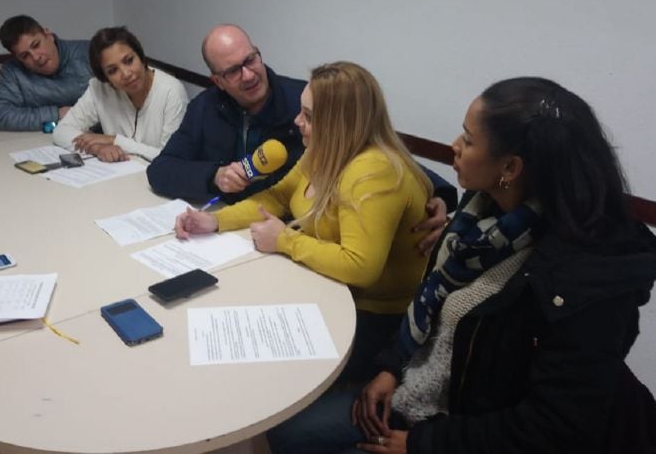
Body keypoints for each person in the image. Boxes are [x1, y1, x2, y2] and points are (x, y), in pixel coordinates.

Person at [266, 77, 656, 454]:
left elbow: (552, 428)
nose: (454, 147)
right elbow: (433, 305)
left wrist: (422, 444)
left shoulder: (585, 281)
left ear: (510, 168)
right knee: (288, 435)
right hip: (422, 394)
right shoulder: (478, 215)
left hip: (466, 432)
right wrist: (391, 367)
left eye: (468, 138)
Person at [175, 62, 437, 382]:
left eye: (309, 116)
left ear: (341, 124)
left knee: (269, 372)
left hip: (375, 318)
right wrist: (214, 221)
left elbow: (360, 267)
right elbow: (277, 197)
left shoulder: (372, 172)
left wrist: (285, 239)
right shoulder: (323, 149)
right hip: (330, 289)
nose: (298, 122)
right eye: (302, 111)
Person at [147, 24, 457, 226]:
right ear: (217, 81)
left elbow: (381, 151)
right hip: (227, 223)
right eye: (233, 71)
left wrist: (439, 196)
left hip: (290, 231)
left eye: (250, 60)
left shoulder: (304, 99)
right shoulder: (205, 107)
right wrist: (214, 176)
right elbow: (161, 170)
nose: (249, 75)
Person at [50, 26, 188, 162]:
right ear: (105, 78)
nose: (126, 74)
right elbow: (61, 131)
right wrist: (97, 148)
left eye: (129, 61)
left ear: (140, 56)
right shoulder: (99, 88)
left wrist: (113, 140)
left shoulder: (172, 92)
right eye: (112, 70)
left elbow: (171, 158)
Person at [0, 14, 93, 131]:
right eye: (25, 56)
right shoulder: (14, 72)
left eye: (36, 45)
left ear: (48, 35)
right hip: (42, 142)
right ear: (18, 59)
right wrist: (56, 114)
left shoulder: (90, 53)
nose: (36, 57)